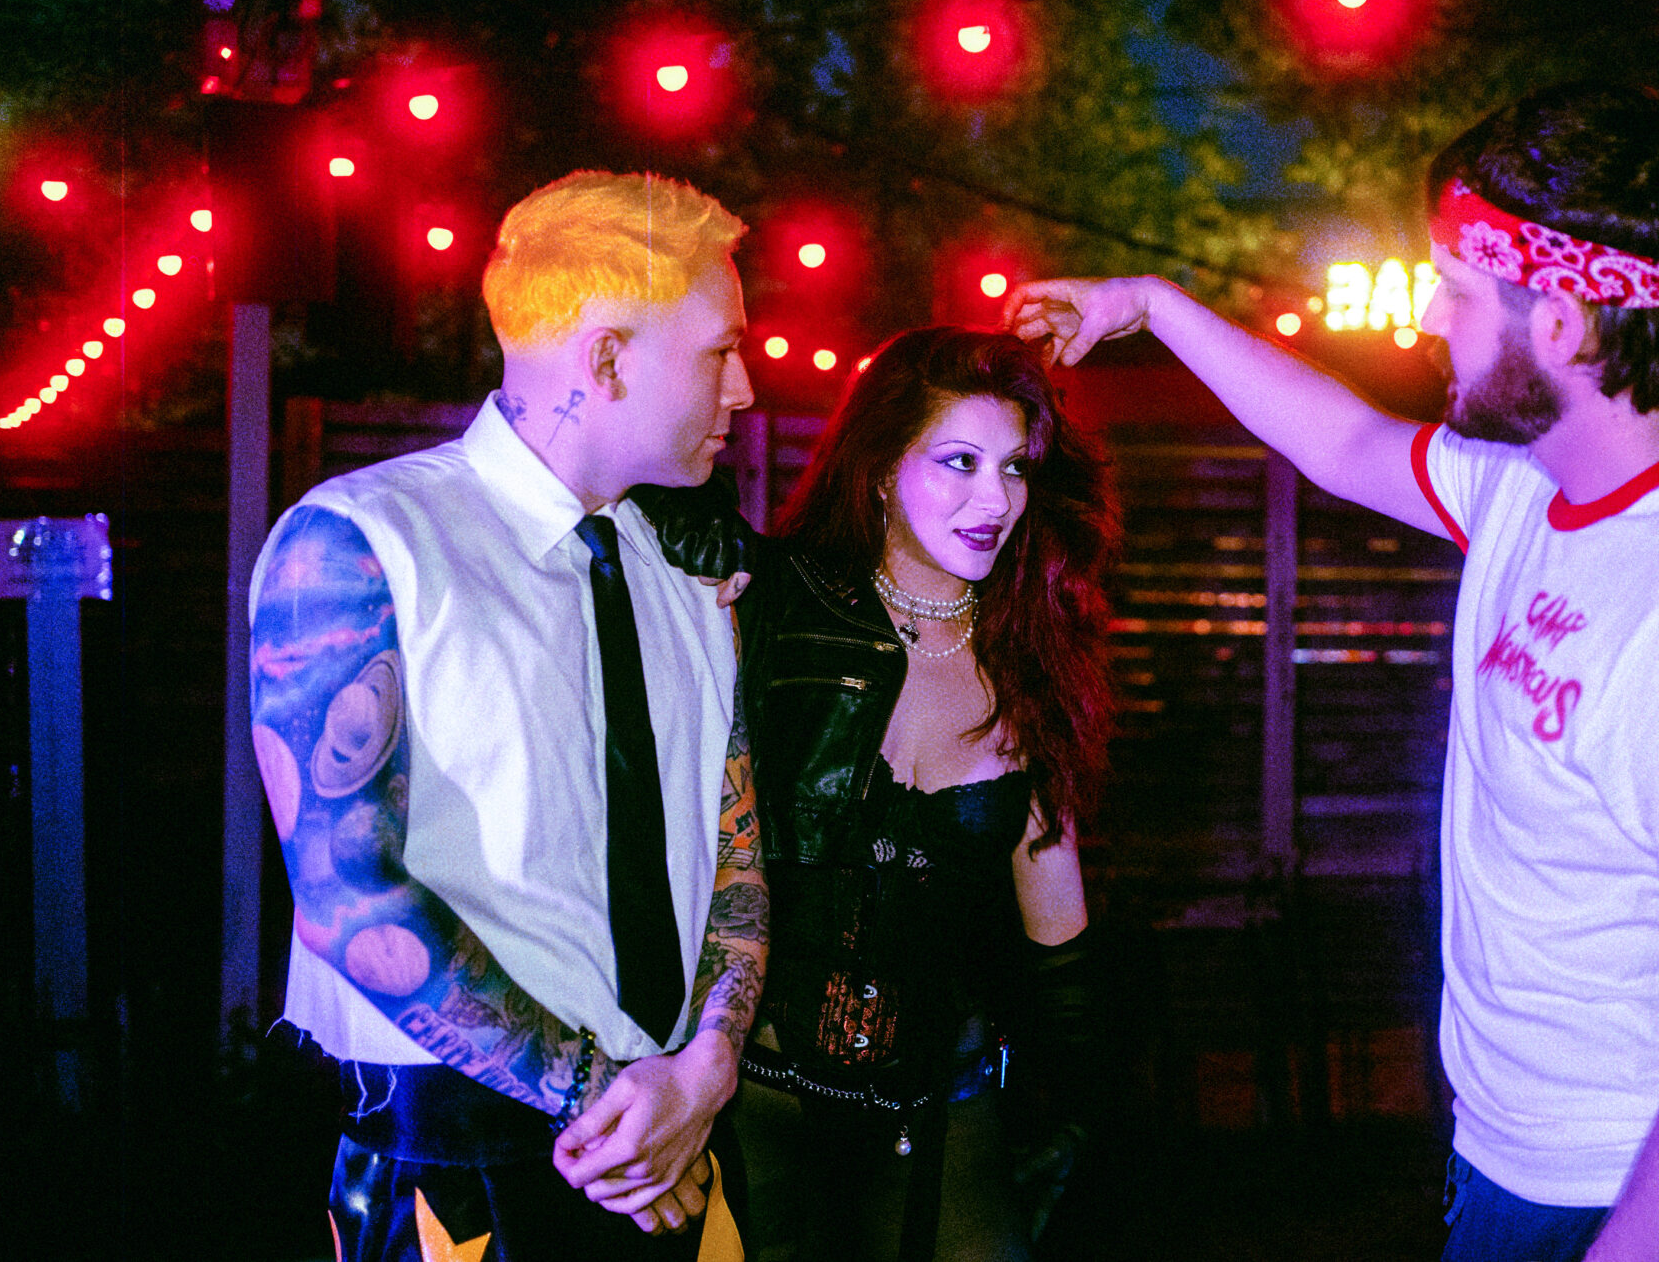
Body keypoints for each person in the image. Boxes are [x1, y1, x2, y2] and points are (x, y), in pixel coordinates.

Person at [1007, 84, 1659, 1262]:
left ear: (1558, 322)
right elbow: (1343, 441)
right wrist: (1151, 306)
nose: (1425, 321)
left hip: (1649, 1193)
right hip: (1515, 1164)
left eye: (1455, 291)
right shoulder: (1535, 488)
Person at [248, 169, 767, 1259]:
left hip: (673, 1137)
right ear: (608, 360)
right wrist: (611, 1105)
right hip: (453, 1155)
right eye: (721, 351)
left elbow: (736, 861)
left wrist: (705, 1074)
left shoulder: (685, 576)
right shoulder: (361, 540)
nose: (746, 390)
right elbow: (346, 891)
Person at [638, 326, 1119, 1262]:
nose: (996, 499)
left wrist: (1078, 1119)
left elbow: (1059, 940)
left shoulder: (1032, 654)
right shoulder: (768, 605)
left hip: (943, 1111)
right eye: (960, 461)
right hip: (755, 1102)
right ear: (883, 469)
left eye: (1015, 467)